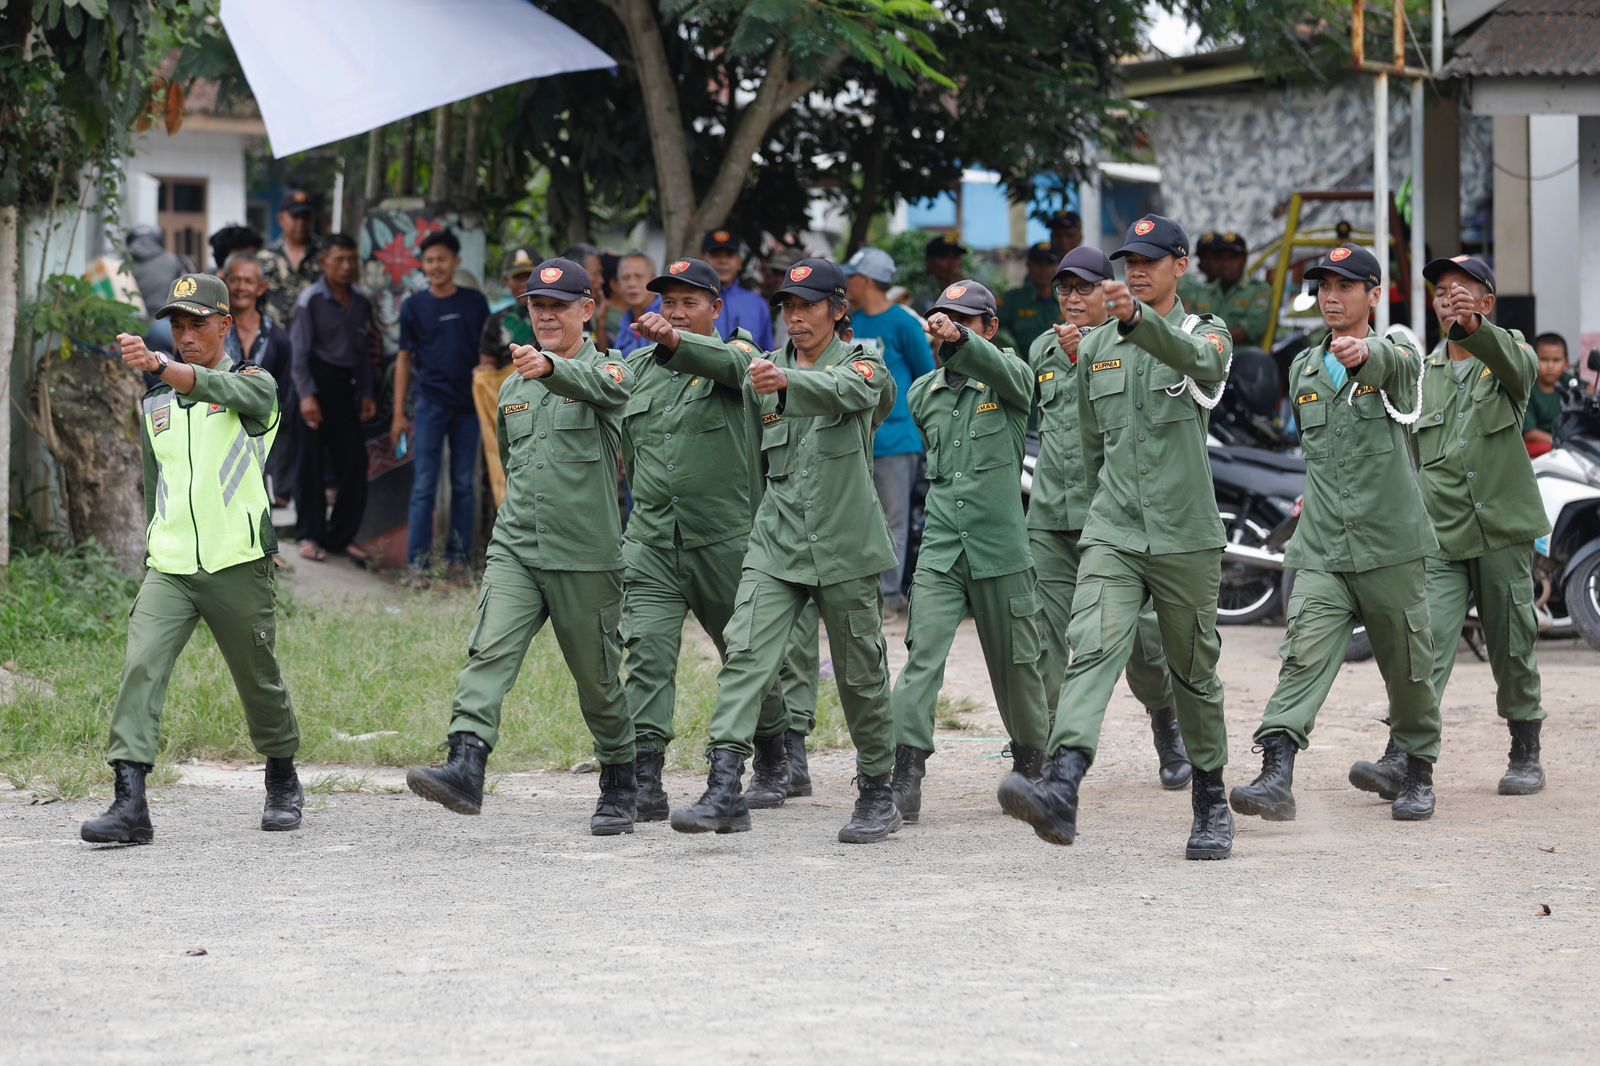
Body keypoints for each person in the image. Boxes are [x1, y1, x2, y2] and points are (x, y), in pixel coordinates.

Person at [998, 214, 1236, 860]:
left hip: (1185, 534)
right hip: (1113, 528)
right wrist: (1106, 514)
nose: (1138, 269)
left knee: (1192, 673)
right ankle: (1064, 785)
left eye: (1152, 260)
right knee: (1093, 645)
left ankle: (1211, 799)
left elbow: (1204, 369)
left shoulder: (1203, 332)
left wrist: (1139, 323)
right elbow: (1091, 444)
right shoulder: (1096, 348)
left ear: (1180, 266)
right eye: (1130, 259)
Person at [666, 258, 901, 844]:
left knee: (861, 675)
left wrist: (791, 383)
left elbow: (854, 393)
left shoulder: (864, 362)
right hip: (777, 540)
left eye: (809, 306)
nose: (795, 318)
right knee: (745, 655)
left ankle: (877, 790)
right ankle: (724, 785)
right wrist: (675, 341)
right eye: (788, 308)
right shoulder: (762, 371)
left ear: (838, 310)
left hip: (846, 543)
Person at [405, 258, 640, 835]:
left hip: (584, 552)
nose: (546, 316)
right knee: (488, 652)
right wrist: (536, 370)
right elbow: (512, 464)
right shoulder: (513, 386)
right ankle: (466, 762)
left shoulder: (611, 371)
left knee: (598, 680)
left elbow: (605, 393)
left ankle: (620, 779)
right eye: (538, 306)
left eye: (559, 306)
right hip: (517, 546)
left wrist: (553, 367)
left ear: (589, 310)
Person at [82, 274, 301, 843]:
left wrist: (159, 364)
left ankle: (281, 776)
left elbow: (216, 390)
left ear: (226, 325)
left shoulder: (254, 384)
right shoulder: (155, 401)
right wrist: (156, 544)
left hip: (237, 562)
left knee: (259, 682)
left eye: (197, 323)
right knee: (141, 668)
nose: (185, 335)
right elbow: (157, 484)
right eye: (177, 325)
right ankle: (130, 803)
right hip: (171, 566)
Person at [1229, 244, 1442, 825]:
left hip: (1391, 545)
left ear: (1374, 296)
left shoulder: (1398, 354)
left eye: (1346, 286)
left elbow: (1394, 365)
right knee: (1301, 655)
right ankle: (1276, 773)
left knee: (1408, 667)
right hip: (1322, 545)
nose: (1330, 295)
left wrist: (1363, 354)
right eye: (1323, 285)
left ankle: (1415, 770)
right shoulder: (1300, 367)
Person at [623, 257, 821, 818]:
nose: (678, 313)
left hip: (726, 539)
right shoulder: (639, 368)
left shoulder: (742, 357)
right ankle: (645, 777)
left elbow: (735, 369)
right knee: (648, 654)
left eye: (691, 303)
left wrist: (676, 342)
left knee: (745, 657)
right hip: (654, 541)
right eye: (669, 303)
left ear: (717, 308)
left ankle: (775, 751)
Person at [1349, 254, 1551, 799]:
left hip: (1503, 531)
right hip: (1440, 535)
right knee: (1425, 645)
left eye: (1463, 291)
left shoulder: (1512, 356)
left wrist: (1478, 330)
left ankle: (1525, 749)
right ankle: (1403, 756)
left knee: (1511, 647)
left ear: (1487, 302)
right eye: (1441, 292)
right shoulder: (1419, 374)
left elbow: (1516, 364)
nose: (1449, 299)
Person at [1026, 246, 1191, 791]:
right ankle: (1050, 753)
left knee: (1143, 644)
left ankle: (1167, 724)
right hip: (1051, 514)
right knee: (1048, 639)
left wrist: (1084, 358)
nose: (1073, 299)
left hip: (1119, 521)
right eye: (1064, 290)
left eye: (1084, 288)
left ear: (1109, 292)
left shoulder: (1131, 345)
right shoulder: (1042, 350)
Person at [887, 281, 1048, 823]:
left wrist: (962, 342)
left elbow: (1008, 376)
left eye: (965, 321)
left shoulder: (1011, 379)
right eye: (942, 320)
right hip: (940, 548)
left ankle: (1031, 763)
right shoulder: (922, 394)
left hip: (1000, 549)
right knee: (921, 658)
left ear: (989, 328)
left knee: (1018, 668)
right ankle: (904, 773)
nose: (948, 330)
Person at [391, 230, 491, 584]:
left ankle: (459, 562)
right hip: (429, 406)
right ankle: (418, 566)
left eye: (442, 259)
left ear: (455, 263)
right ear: (423, 265)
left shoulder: (475, 303)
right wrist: (399, 413)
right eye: (430, 260)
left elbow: (486, 353)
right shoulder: (414, 306)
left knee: (464, 484)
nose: (436, 266)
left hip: (468, 407)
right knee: (424, 486)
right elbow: (404, 360)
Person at [843, 246, 936, 616]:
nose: (847, 283)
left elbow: (927, 377)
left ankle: (888, 594)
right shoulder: (854, 323)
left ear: (866, 281)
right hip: (855, 438)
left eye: (852, 277)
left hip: (897, 439)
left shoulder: (903, 323)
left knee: (893, 518)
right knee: (859, 518)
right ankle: (861, 594)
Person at [290, 234, 376, 563]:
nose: (346, 266)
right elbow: (299, 354)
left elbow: (365, 352)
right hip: (313, 382)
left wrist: (367, 392)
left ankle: (340, 536)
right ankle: (309, 535)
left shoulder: (360, 302)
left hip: (346, 387)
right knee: (309, 465)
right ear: (324, 261)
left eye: (351, 260)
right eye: (338, 259)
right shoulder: (310, 300)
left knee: (355, 464)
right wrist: (307, 395)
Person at [222, 252, 296, 513]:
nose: (241, 287)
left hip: (260, 440)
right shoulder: (210, 331)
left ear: (261, 287)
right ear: (224, 281)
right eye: (235, 280)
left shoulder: (278, 338)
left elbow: (283, 395)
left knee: (258, 508)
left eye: (248, 281)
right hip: (217, 433)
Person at [474, 248, 537, 508]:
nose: (523, 283)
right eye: (517, 277)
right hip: (512, 412)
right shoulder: (497, 321)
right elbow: (486, 368)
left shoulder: (559, 314)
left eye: (529, 276)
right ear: (507, 281)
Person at [1184, 232, 1274, 347]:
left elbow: (1251, 329)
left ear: (1244, 259)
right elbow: (1188, 326)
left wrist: (1210, 340)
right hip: (1202, 358)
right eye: (1221, 259)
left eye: (1232, 258)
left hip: (1240, 359)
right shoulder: (1202, 293)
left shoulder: (1259, 291)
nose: (1226, 264)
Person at [701, 229, 775, 350]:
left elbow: (767, 353)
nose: (723, 261)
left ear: (739, 262)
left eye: (729, 255)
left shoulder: (757, 304)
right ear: (702, 260)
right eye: (715, 255)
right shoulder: (683, 298)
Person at [259, 190, 322, 326]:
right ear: (281, 219)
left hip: (317, 337)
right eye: (295, 216)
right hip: (275, 338)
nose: (301, 222)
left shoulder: (326, 255)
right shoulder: (265, 257)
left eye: (306, 217)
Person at [1523, 332, 1577, 455]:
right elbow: (1530, 432)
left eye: (1556, 360)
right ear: (1533, 360)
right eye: (1544, 359)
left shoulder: (1569, 382)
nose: (1550, 366)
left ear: (1566, 363)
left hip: (1568, 442)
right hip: (1540, 447)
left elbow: (1589, 390)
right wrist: (1560, 442)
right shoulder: (1527, 389)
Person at [998, 242, 1059, 350]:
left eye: (1049, 264)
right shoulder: (1013, 300)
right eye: (1038, 263)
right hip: (1024, 365)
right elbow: (988, 326)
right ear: (1029, 266)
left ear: (1057, 267)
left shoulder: (1068, 298)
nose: (1043, 269)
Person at [125, 224, 192, 320]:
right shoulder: (174, 261)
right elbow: (187, 295)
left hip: (127, 322)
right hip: (162, 319)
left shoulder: (119, 264)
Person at [611, 250, 657, 358]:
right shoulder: (624, 324)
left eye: (639, 276)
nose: (632, 284)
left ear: (653, 280)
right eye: (625, 278)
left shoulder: (668, 314)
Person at [915, 236, 966, 310]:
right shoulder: (921, 293)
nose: (952, 263)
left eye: (956, 256)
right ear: (930, 263)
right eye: (944, 257)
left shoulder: (973, 288)